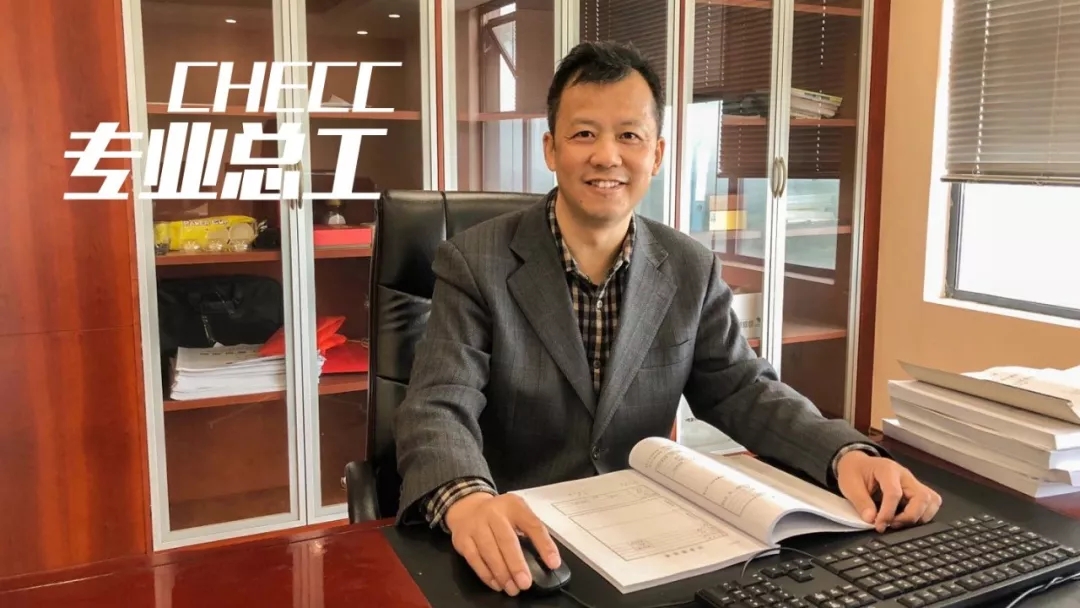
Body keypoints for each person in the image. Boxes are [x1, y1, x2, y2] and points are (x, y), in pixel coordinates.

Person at [392, 40, 942, 597]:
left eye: (629, 135)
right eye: (584, 134)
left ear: (656, 154)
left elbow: (743, 390)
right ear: (551, 149)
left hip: (646, 540)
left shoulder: (689, 267)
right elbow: (439, 403)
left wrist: (843, 453)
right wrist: (468, 499)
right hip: (522, 538)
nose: (607, 156)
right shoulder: (476, 261)